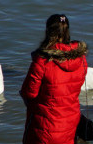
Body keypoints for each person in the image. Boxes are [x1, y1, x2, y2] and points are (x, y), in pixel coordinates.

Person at [20, 14, 88, 144]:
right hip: (70, 123)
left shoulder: (42, 60)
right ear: (67, 31)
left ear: (48, 32)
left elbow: (29, 92)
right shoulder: (80, 59)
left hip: (45, 127)